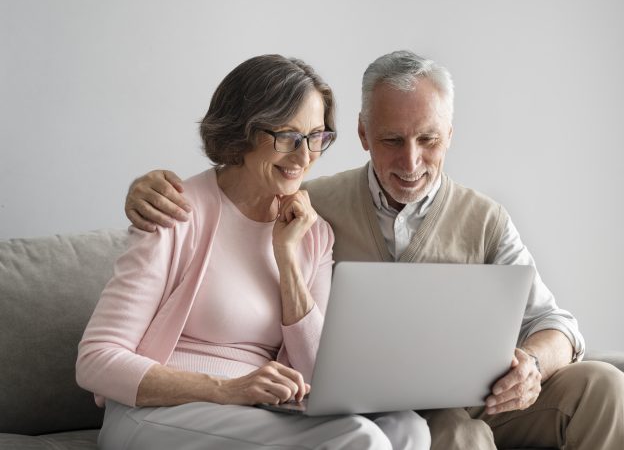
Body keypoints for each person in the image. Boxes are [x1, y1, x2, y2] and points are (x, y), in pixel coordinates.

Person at [124, 50, 624, 450]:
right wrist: (146, 190)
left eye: (428, 140)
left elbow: (556, 322)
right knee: (452, 434)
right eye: (393, 140)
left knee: (603, 384)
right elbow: (235, 193)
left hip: (489, 394)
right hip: (400, 408)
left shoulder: (486, 219)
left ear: (450, 135)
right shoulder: (308, 205)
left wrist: (531, 362)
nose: (411, 161)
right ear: (363, 134)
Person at [76, 54, 430, 450]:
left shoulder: (314, 233)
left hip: (256, 409)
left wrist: (288, 258)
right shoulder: (174, 211)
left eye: (316, 137)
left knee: (409, 429)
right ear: (241, 131)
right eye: (287, 137)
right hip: (157, 413)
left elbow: (319, 373)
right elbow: (96, 360)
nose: (303, 156)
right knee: (360, 438)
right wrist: (228, 389)